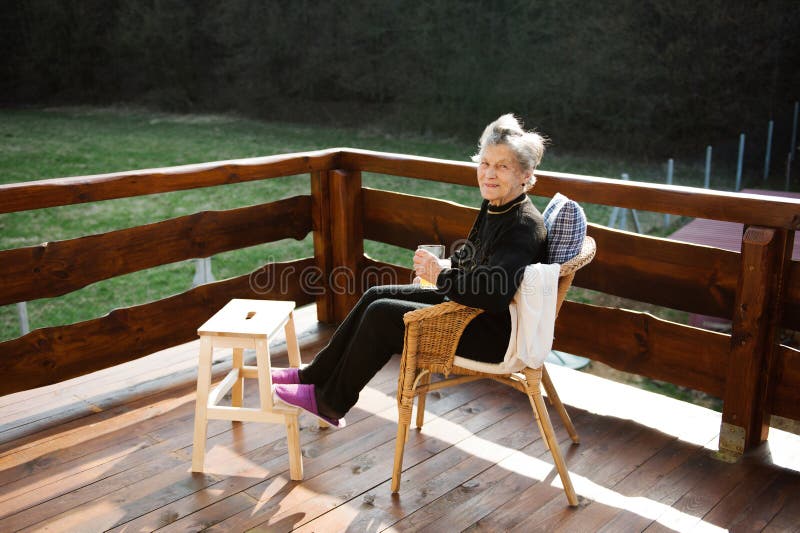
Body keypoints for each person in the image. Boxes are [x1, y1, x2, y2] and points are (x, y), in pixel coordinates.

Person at [272, 114, 549, 427]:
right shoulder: (496, 204)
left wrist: (441, 277)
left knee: (382, 316)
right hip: (466, 309)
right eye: (485, 163)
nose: (489, 173)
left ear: (525, 174)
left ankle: (331, 403)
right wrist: (445, 267)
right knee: (375, 294)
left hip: (488, 333)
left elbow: (494, 295)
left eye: (502, 166)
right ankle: (313, 375)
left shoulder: (523, 226)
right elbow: (473, 256)